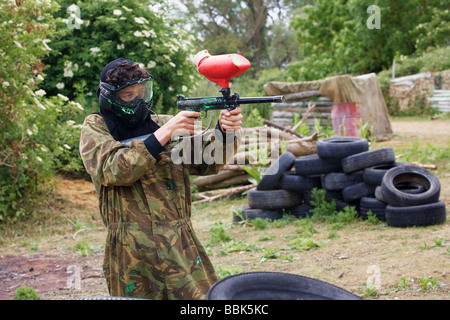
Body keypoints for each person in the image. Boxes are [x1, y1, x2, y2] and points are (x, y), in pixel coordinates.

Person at [79, 57, 242, 299]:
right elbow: (113, 169)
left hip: (180, 242)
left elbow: (208, 161)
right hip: (130, 252)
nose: (138, 100)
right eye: (128, 95)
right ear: (110, 97)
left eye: (143, 92)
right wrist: (163, 134)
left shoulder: (162, 123)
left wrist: (225, 131)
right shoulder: (96, 127)